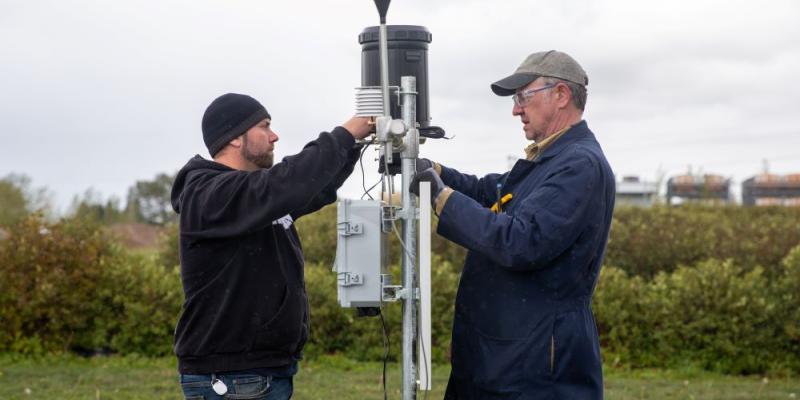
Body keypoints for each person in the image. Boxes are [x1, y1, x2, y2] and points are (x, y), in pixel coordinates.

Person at [411, 50, 615, 399]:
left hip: (534, 364)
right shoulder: (550, 160)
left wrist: (442, 199)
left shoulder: (578, 165)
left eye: (523, 97)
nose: (516, 109)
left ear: (561, 95)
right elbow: (491, 191)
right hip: (510, 354)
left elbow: (520, 241)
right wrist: (435, 171)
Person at [170, 93, 372, 399]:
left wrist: (353, 146)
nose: (274, 135)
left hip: (256, 373)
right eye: (265, 126)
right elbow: (285, 183)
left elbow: (309, 188)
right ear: (235, 138)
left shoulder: (253, 198)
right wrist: (345, 134)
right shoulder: (209, 193)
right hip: (231, 378)